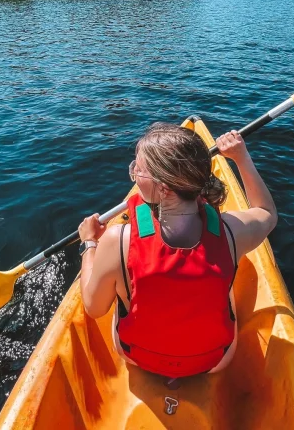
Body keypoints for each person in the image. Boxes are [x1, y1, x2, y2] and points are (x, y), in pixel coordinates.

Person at [78, 123, 277, 378]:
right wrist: (242, 158)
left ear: (164, 188)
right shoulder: (231, 232)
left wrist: (90, 244)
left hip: (136, 356)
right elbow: (267, 215)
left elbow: (94, 309)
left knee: (121, 283)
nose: (134, 172)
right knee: (227, 286)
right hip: (215, 361)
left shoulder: (118, 240)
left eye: (138, 169)